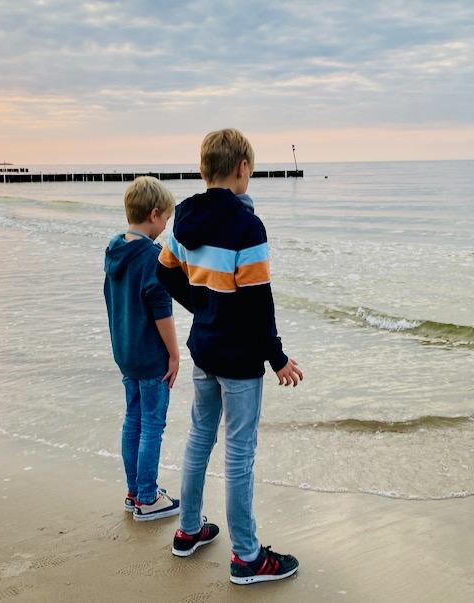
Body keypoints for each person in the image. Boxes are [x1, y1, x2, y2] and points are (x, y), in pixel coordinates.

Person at [158, 128, 304, 584]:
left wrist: (203, 306)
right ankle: (246, 557)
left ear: (205, 169)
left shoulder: (184, 218)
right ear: (243, 168)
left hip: (204, 348)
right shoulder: (247, 225)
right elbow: (259, 302)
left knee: (200, 438)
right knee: (239, 452)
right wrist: (277, 358)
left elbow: (165, 274)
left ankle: (188, 530)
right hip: (239, 357)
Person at [103, 176, 181, 521]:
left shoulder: (115, 248)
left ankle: (134, 491)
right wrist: (175, 355)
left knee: (132, 420)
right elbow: (161, 311)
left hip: (125, 351)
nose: (166, 225)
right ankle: (148, 498)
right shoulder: (152, 257)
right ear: (153, 214)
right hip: (150, 356)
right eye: (166, 218)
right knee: (151, 425)